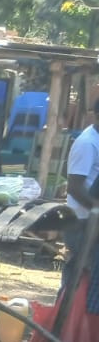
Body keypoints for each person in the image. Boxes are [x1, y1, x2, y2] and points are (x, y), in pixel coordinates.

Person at [62, 95, 99, 291]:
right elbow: (74, 187)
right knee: (76, 278)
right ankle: (64, 320)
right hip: (82, 221)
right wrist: (96, 209)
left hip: (92, 219)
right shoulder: (87, 143)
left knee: (90, 280)